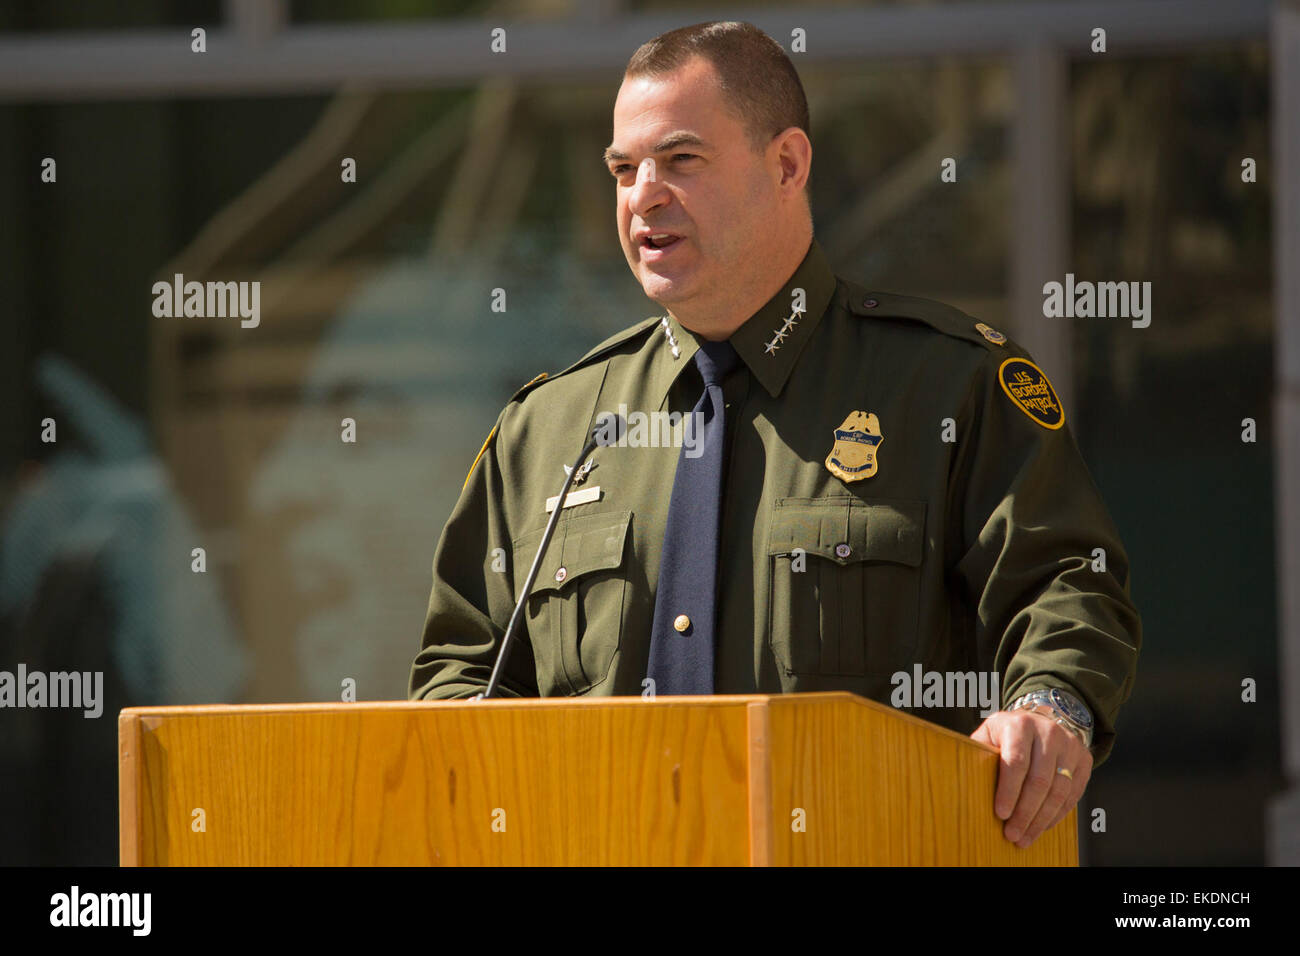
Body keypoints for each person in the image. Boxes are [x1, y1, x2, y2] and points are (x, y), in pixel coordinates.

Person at [409, 20, 1141, 851]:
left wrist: (1050, 708)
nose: (641, 194)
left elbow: (1066, 587)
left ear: (787, 164)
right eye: (623, 169)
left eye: (681, 160)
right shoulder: (546, 429)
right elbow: (461, 678)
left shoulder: (946, 386)